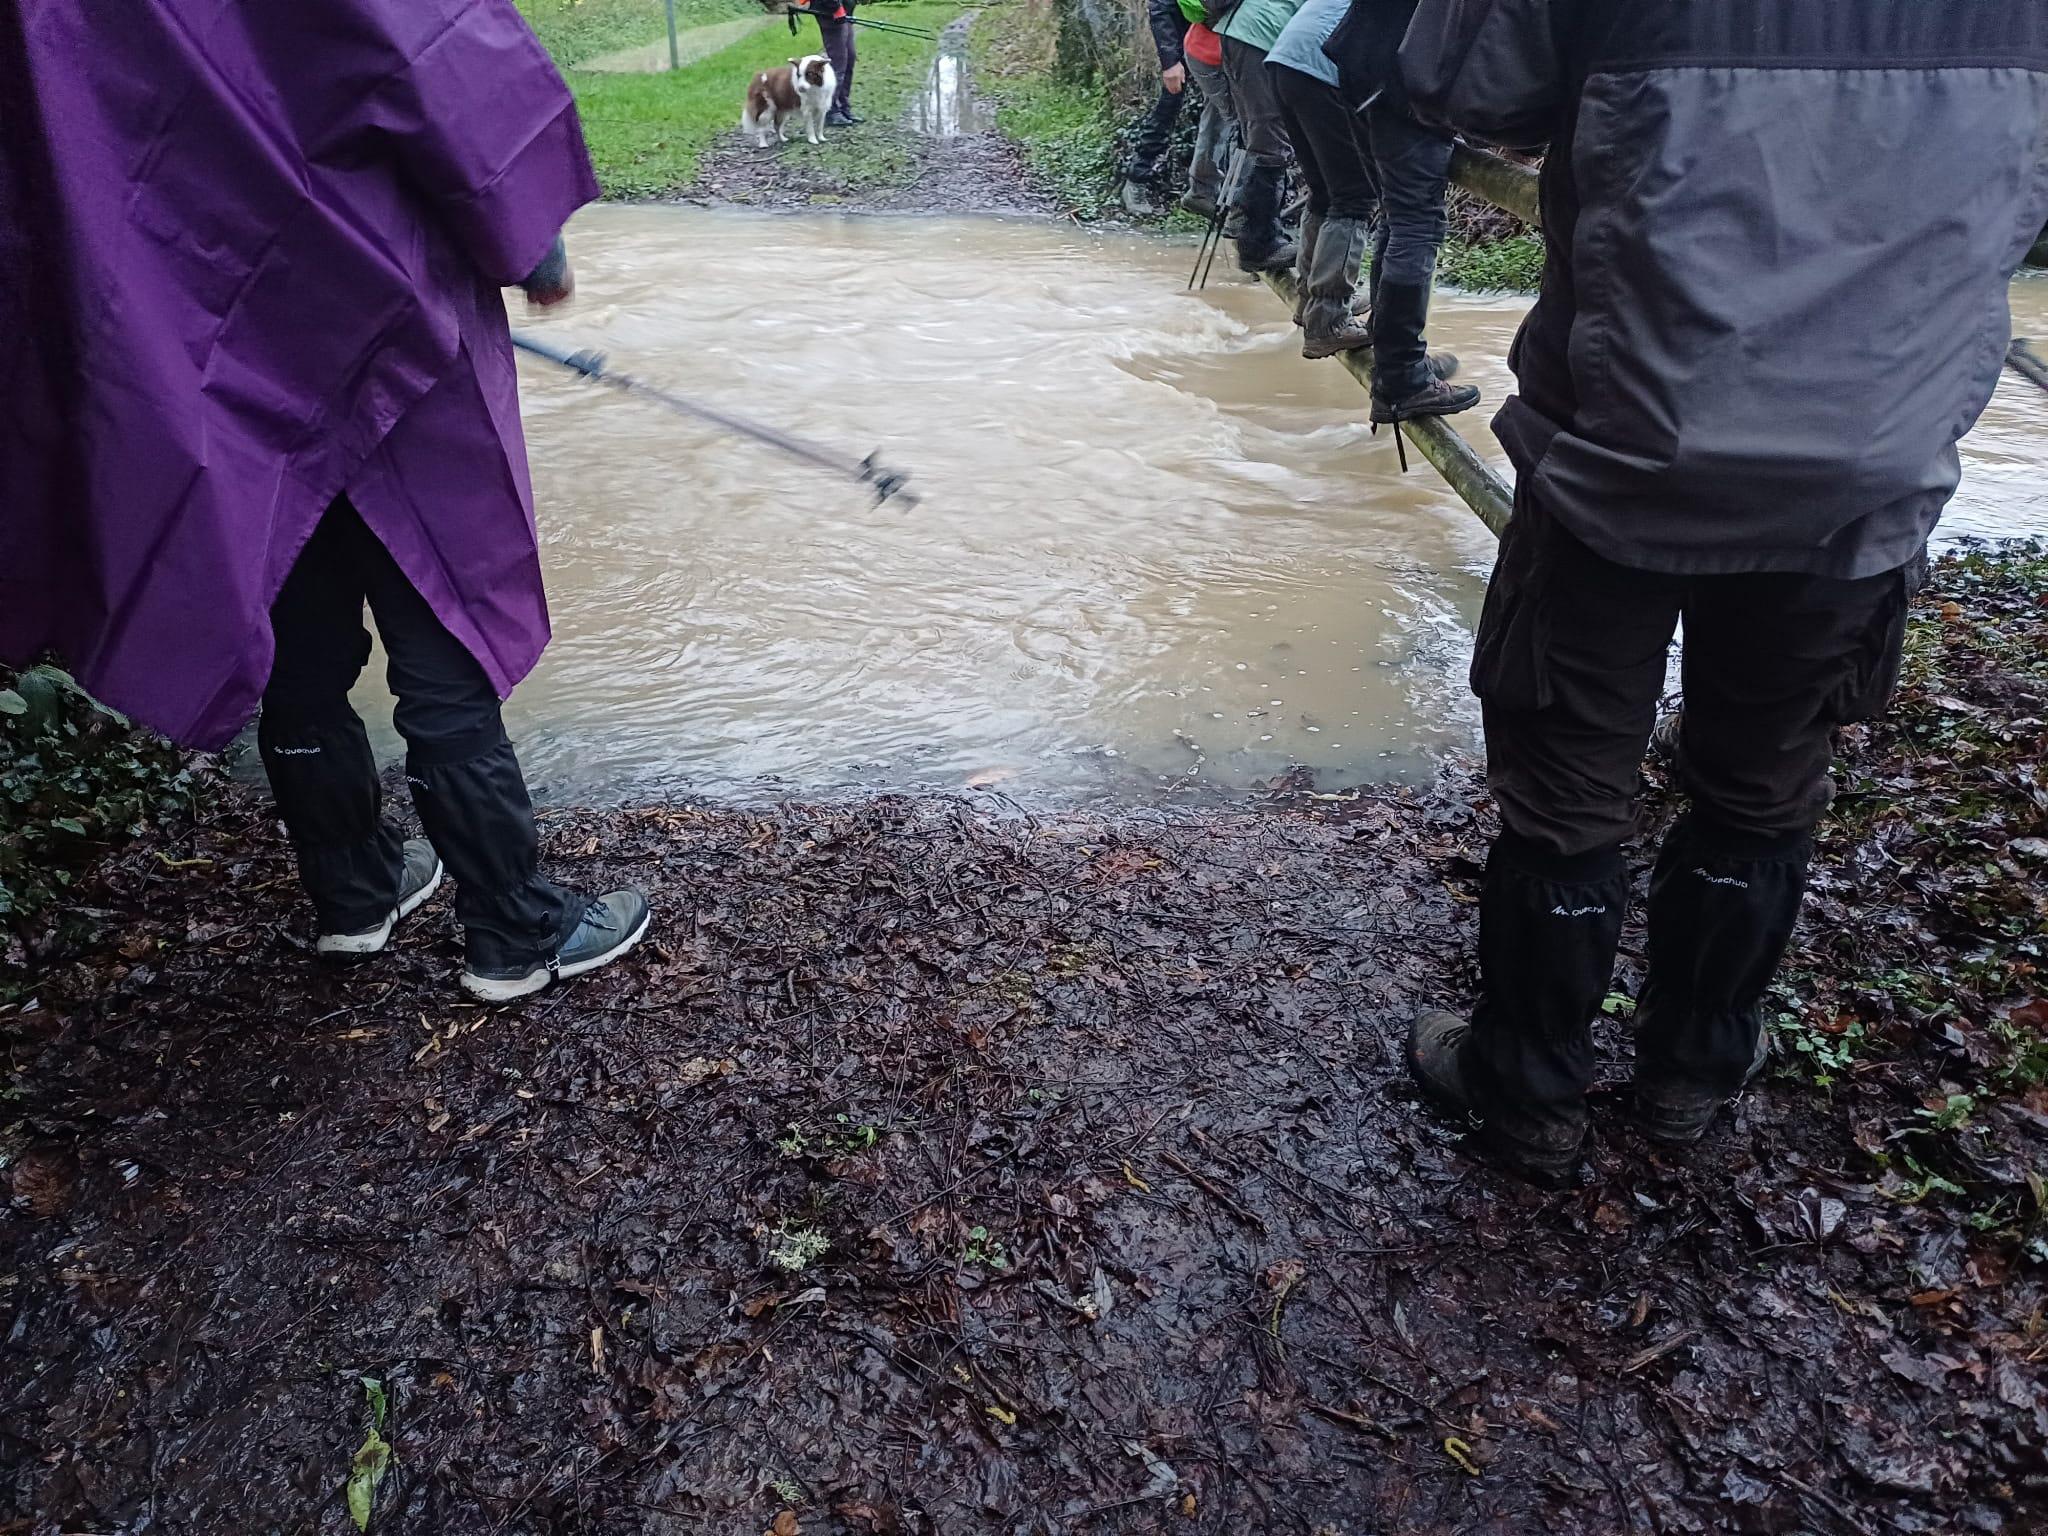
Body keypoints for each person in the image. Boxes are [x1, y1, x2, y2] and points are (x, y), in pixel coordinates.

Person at [1392, 0, 2048, 1181]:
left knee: (1568, 780)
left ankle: (1529, 1089)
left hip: (1620, 447)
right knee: (1762, 779)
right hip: (1868, 456)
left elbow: (1459, 85)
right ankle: (1689, 1074)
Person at [2, 0, 650, 1002]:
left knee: (297, 620)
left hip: (205, 345)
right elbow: (431, 44)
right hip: (385, 305)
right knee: (440, 611)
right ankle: (514, 929)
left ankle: (355, 892)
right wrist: (531, 244)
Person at [1322, 0, 1477, 422]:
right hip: (1402, 74)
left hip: (1365, 63)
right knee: (1416, 224)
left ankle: (1393, 355)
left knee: (1398, 216)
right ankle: (1403, 377)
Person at [1265, 0, 1379, 357]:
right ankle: (1328, 318)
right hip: (1319, 67)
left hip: (1286, 60)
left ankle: (1310, 301)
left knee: (1325, 192)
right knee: (1354, 196)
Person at [1215, 0, 1308, 273]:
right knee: (1270, 145)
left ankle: (1248, 228)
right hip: (1259, 38)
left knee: (1257, 139)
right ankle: (1259, 245)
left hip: (1241, 33)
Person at [792, 0, 861, 127]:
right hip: (831, 11)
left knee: (849, 59)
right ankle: (831, 110)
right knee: (838, 64)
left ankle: (844, 107)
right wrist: (835, 7)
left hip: (844, 12)